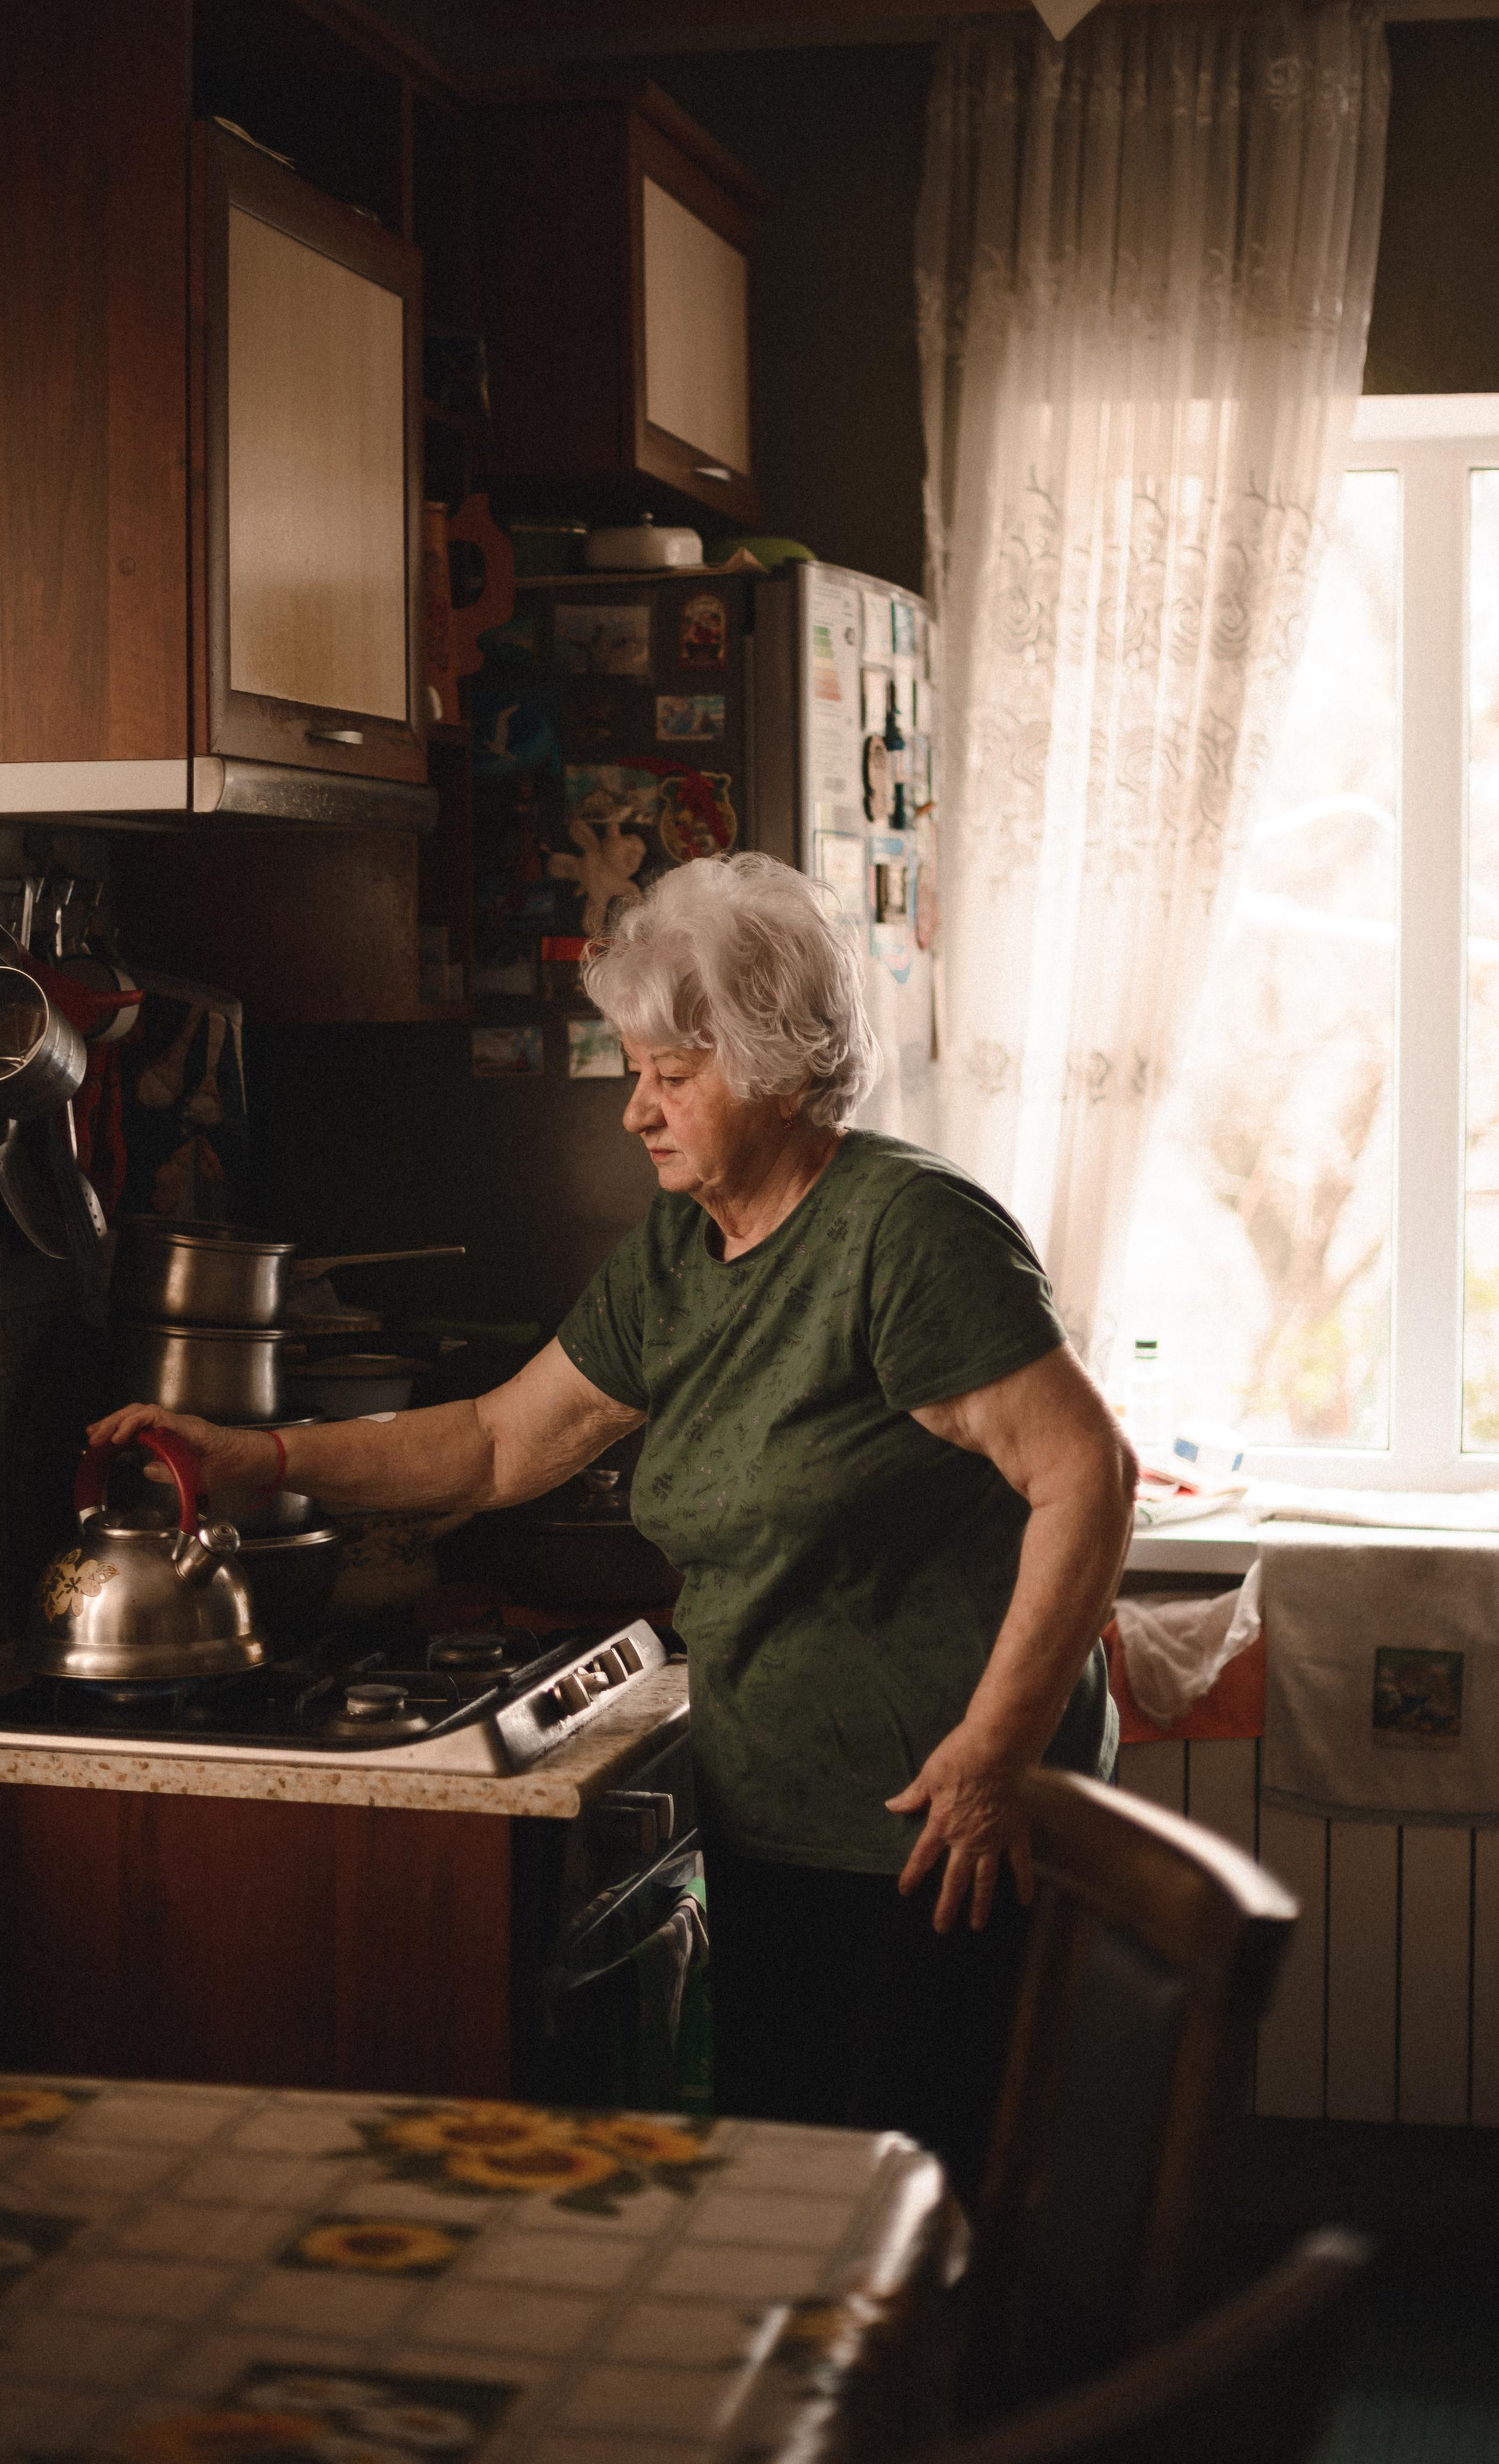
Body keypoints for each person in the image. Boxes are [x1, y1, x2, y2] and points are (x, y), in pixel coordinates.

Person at [90, 854, 1136, 2197]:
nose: (635, 1111)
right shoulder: (678, 1252)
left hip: (930, 1835)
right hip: (774, 1817)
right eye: (633, 1070)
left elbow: (1085, 1477)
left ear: (770, 1064)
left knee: (914, 2217)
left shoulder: (902, 1234)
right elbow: (491, 1444)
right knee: (790, 2209)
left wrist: (990, 1757)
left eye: (672, 1075)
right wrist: (256, 1457)